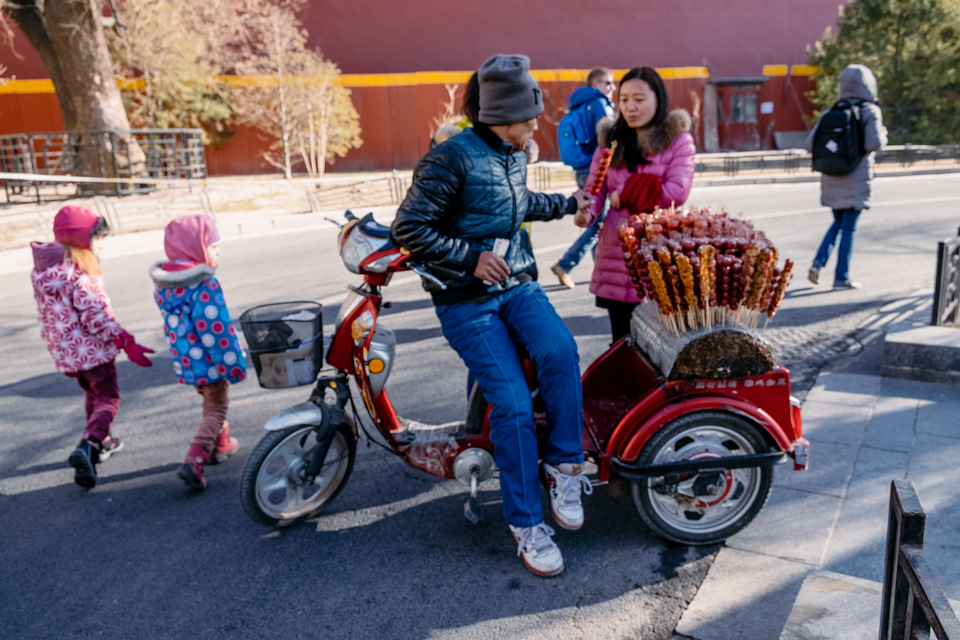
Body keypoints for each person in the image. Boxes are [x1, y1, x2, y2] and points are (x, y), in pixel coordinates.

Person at [391, 54, 594, 577]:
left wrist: (568, 204)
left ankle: (565, 465)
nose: (536, 125)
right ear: (501, 113)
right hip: (466, 300)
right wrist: (470, 258)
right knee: (511, 404)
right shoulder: (448, 158)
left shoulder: (514, 153)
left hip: (519, 285)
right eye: (530, 115)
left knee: (560, 352)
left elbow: (516, 202)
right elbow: (409, 230)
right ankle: (526, 524)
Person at [30, 205, 154, 489]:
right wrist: (125, 340)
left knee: (93, 396)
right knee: (108, 399)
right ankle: (89, 445)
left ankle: (102, 440)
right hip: (93, 352)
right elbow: (97, 319)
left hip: (68, 355)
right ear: (82, 243)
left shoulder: (47, 274)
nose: (101, 248)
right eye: (97, 241)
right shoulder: (82, 277)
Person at [575, 66, 696, 343]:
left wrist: (628, 192)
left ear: (658, 100)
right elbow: (596, 188)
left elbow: (677, 191)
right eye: (624, 99)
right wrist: (586, 213)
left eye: (639, 100)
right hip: (616, 255)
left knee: (661, 344)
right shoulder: (611, 141)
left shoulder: (678, 141)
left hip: (658, 252)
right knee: (621, 342)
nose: (630, 107)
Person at [149, 215, 246, 491]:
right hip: (211, 363)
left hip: (187, 362)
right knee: (216, 408)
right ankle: (195, 458)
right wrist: (234, 364)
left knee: (210, 404)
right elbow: (217, 331)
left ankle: (222, 444)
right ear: (197, 249)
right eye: (214, 246)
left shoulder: (167, 286)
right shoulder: (204, 285)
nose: (219, 252)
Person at [803, 64, 887, 290]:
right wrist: (884, 135)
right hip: (856, 178)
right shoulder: (870, 111)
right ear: (869, 85)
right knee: (848, 227)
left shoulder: (832, 112)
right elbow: (874, 143)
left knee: (838, 223)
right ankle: (841, 277)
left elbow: (809, 144)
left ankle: (818, 263)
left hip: (831, 178)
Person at [551, 67, 616, 289]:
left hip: (581, 167)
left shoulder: (578, 104)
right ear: (596, 83)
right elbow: (611, 137)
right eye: (608, 83)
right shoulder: (599, 104)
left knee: (598, 219)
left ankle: (601, 270)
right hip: (596, 167)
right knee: (597, 220)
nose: (612, 88)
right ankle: (566, 264)